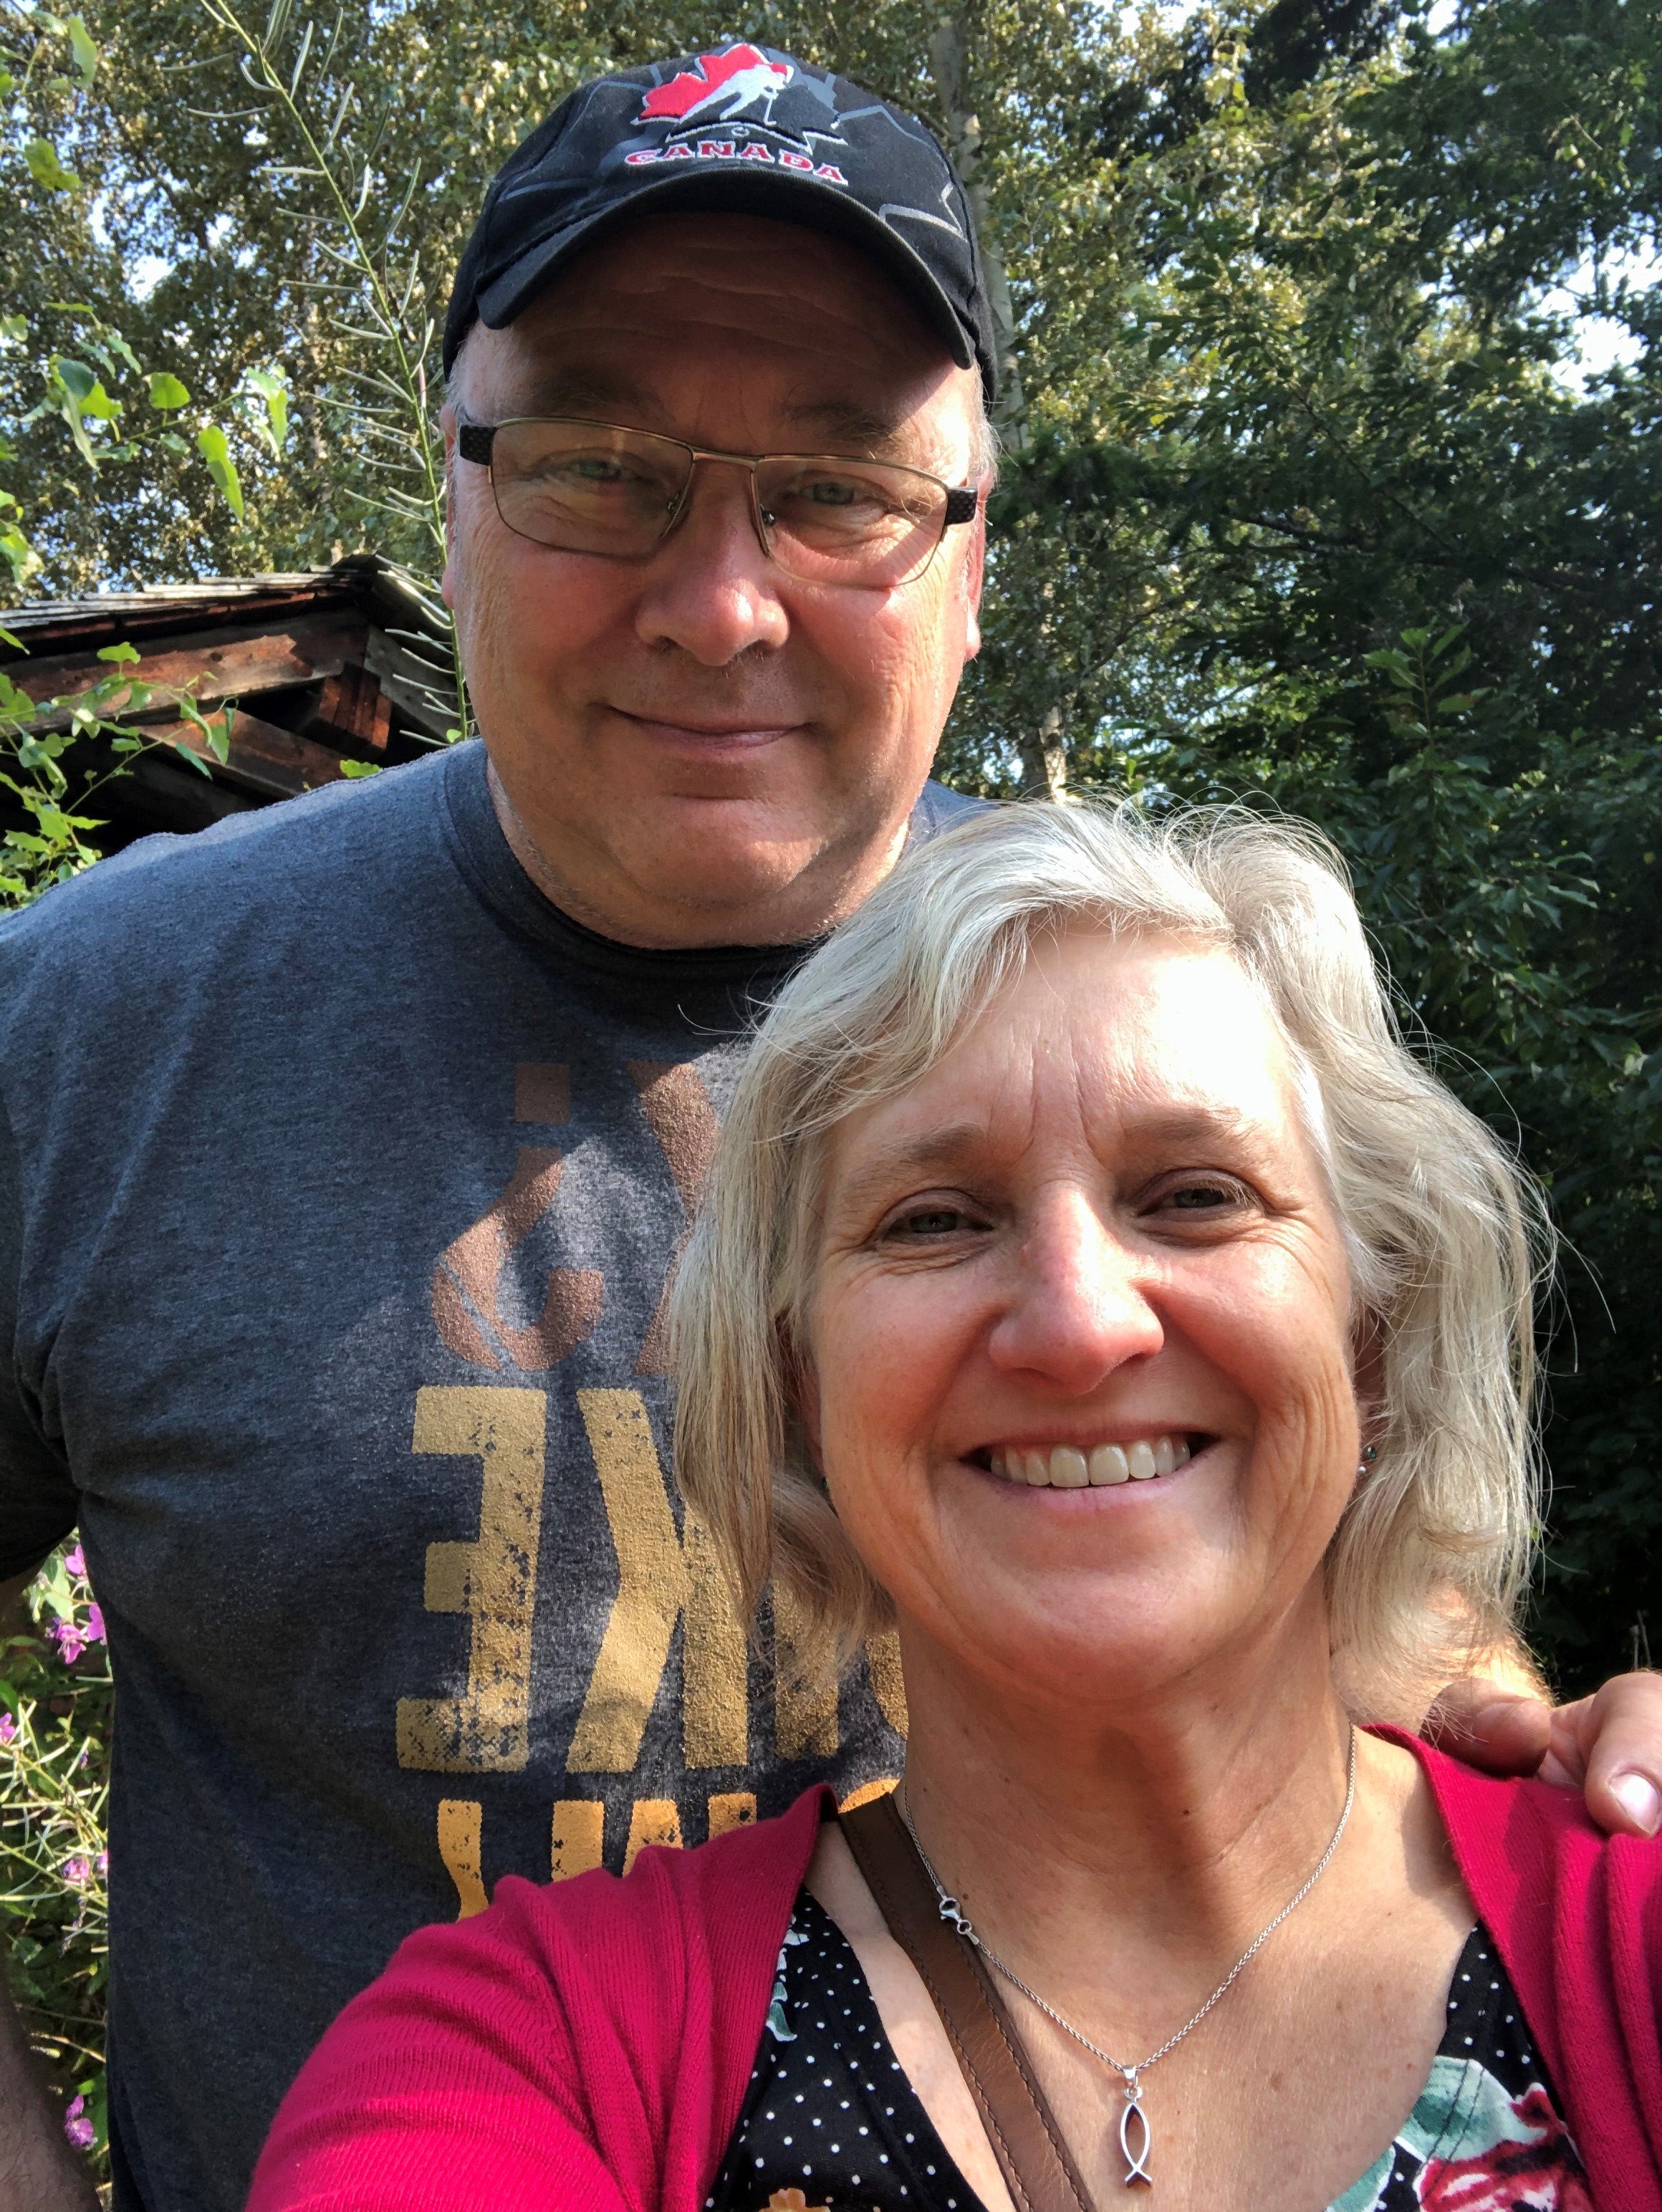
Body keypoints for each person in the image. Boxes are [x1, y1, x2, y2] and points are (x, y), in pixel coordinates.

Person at [0, 42, 1656, 2212]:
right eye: (602, 466)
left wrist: (1568, 1770)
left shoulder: (1146, 1000)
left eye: (843, 489)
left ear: (971, 561)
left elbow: (1345, 1558)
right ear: (457, 495)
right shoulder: (97, 1024)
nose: (723, 603)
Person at [247, 801, 1662, 2212]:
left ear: (1366, 1330)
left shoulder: (1626, 1942)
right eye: (932, 1217)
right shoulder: (526, 2048)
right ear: (798, 1379)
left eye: (1192, 1195)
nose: (1074, 1321)